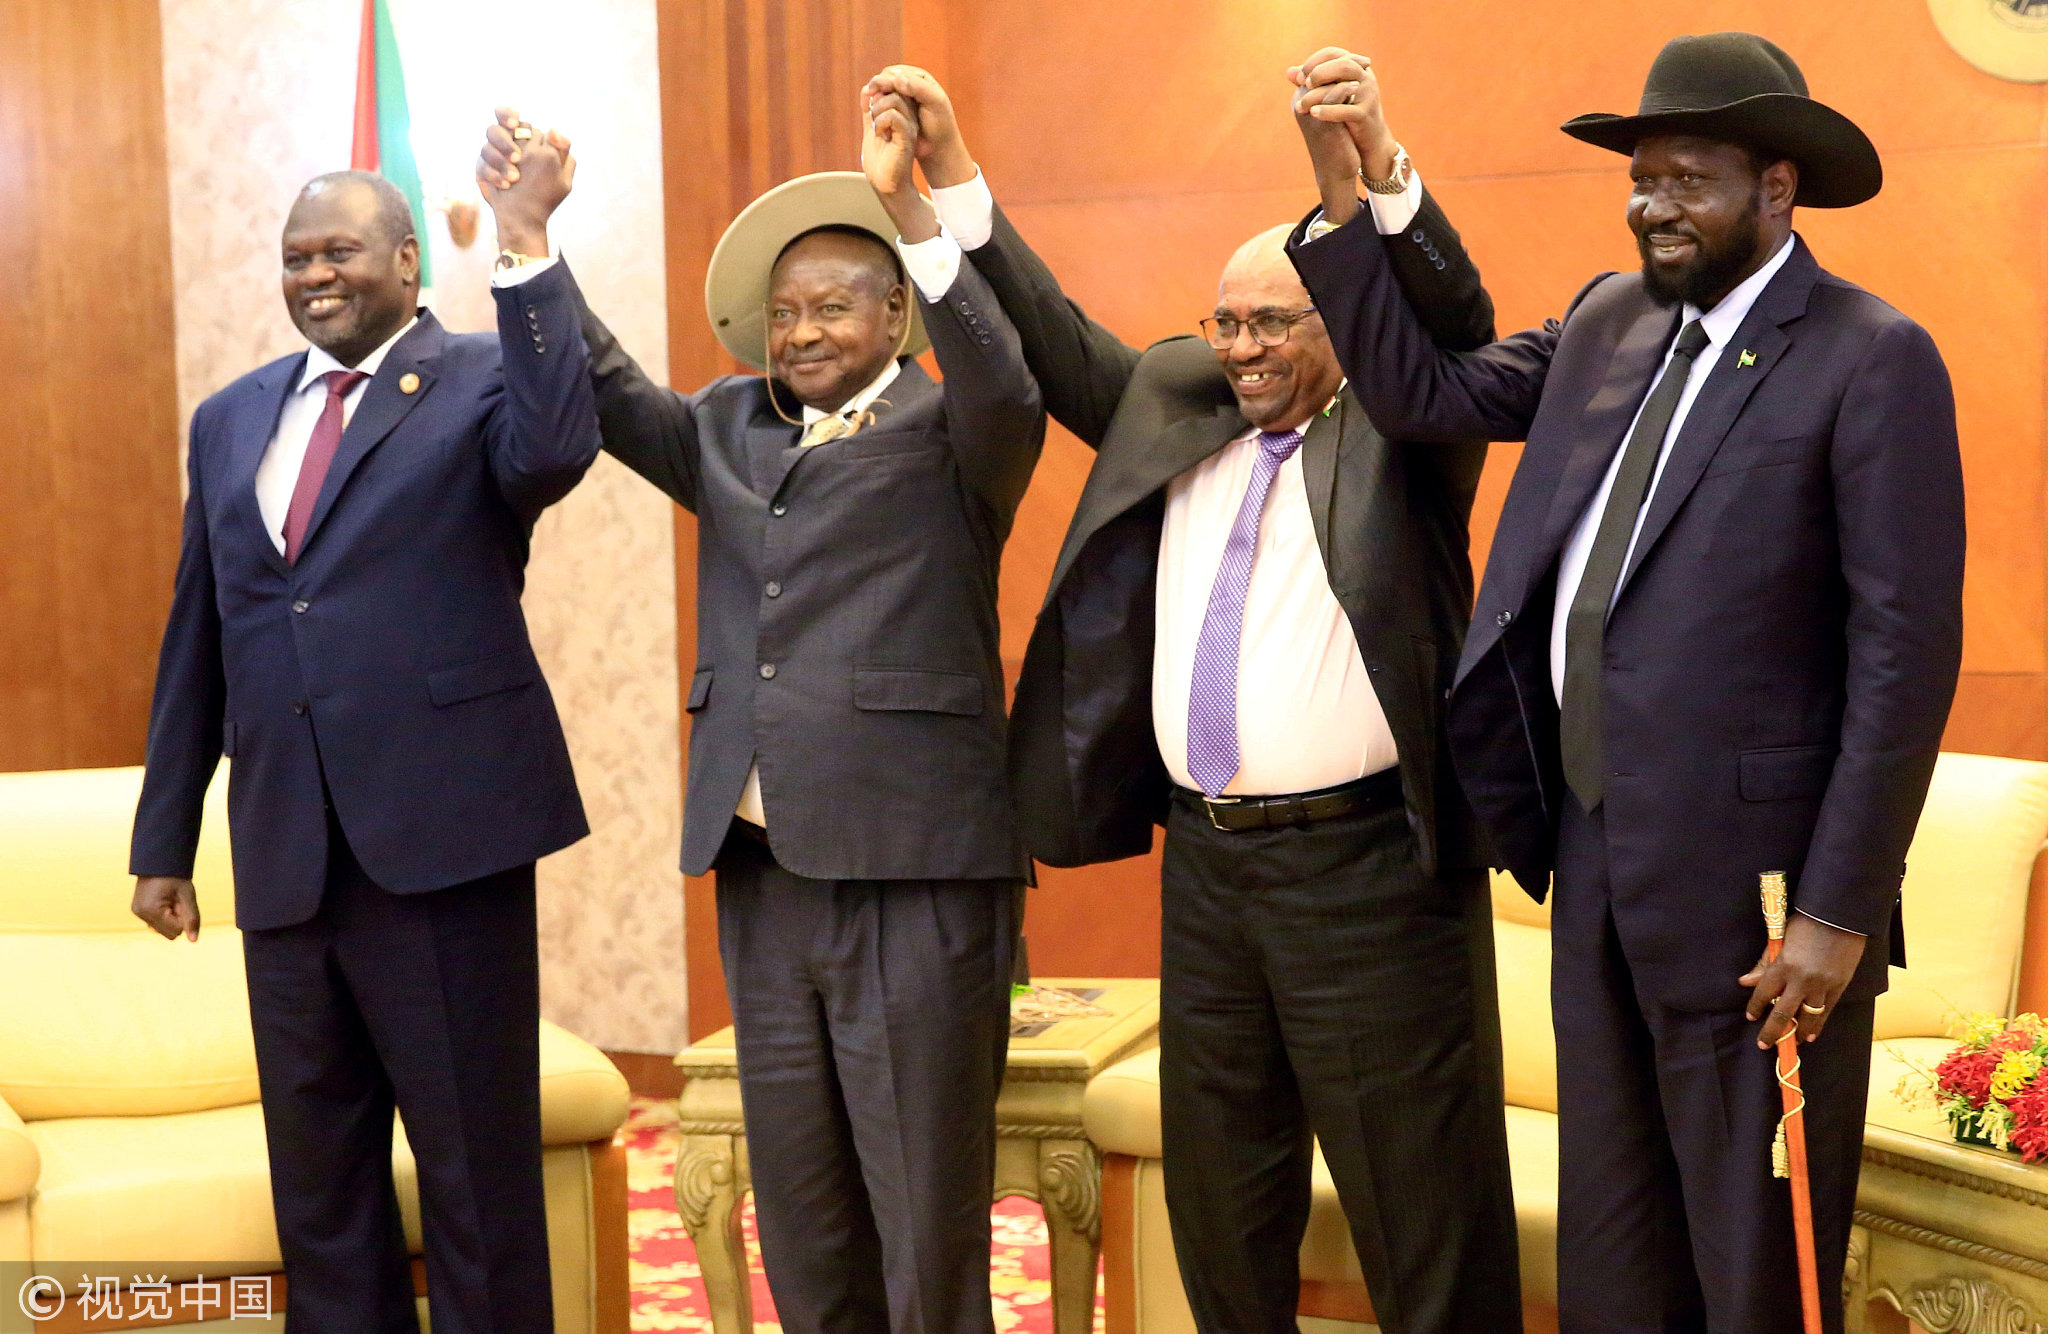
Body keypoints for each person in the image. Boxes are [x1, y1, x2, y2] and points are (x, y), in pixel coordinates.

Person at [1287, 34, 1964, 1333]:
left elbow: (1903, 655)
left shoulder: (1869, 353)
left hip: (1761, 899)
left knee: (1751, 1262)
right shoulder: (1609, 319)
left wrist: (1835, 912)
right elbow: (1423, 394)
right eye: (1641, 178)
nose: (1652, 204)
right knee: (1615, 1255)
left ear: (1776, 187)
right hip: (1593, 859)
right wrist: (1352, 184)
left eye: (1687, 179)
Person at [861, 63, 1520, 1334]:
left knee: (1422, 1220)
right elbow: (1049, 334)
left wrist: (1370, 165)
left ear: (1339, 321)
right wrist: (942, 180)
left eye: (1272, 322)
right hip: (1209, 876)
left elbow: (1452, 318)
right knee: (1222, 1211)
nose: (1241, 348)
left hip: (1369, 880)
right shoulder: (1179, 411)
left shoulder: (1407, 431)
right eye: (1224, 322)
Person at [477, 93, 1044, 1334]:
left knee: (923, 1216)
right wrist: (525, 237)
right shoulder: (727, 425)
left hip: (913, 868)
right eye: (783, 313)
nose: (800, 331)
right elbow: (604, 384)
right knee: (803, 1211)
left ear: (894, 313)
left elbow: (1007, 380)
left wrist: (911, 211)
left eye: (831, 305)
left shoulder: (957, 430)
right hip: (761, 872)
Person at [129, 160, 602, 1334]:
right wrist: (165, 837)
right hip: (286, 852)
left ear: (403, 259)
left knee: (475, 1180)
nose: (314, 274)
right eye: (295, 257)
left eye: (337, 251)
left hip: (443, 841)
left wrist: (525, 241)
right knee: (322, 1190)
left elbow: (554, 448)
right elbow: (202, 628)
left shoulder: (483, 377)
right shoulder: (230, 416)